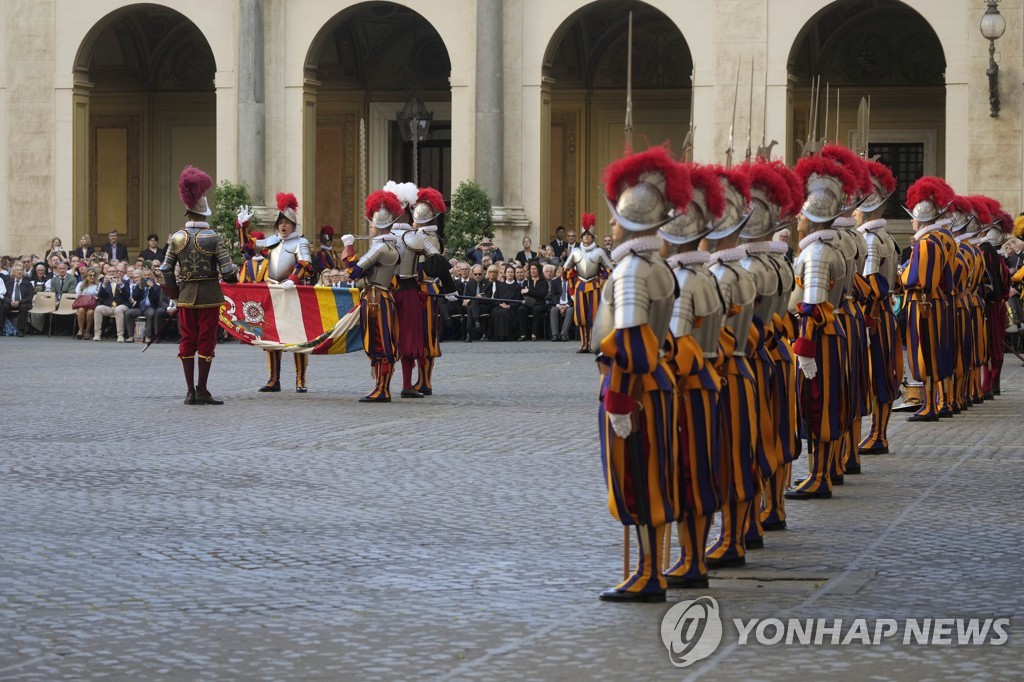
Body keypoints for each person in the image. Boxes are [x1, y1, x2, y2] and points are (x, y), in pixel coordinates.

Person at [593, 146, 682, 602]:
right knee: (653, 479)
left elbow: (628, 344)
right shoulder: (657, 264)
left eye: (614, 218)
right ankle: (654, 568)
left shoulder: (630, 269)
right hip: (656, 385)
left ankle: (649, 573)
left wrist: (619, 401)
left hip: (635, 389)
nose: (610, 225)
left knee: (640, 481)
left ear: (630, 220)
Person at [658, 160, 723, 589]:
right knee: (700, 471)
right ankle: (694, 556)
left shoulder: (684, 278)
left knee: (686, 474)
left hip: (686, 387)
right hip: (710, 380)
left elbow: (675, 345)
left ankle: (692, 559)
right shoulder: (704, 273)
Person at [785, 154, 858, 500]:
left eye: (802, 211)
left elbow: (812, 307)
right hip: (830, 336)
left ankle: (819, 475)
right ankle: (821, 471)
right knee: (823, 404)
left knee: (818, 405)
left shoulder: (815, 255)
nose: (798, 216)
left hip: (819, 339)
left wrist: (805, 352)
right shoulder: (823, 248)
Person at [160, 165, 239, 405]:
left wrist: (174, 293)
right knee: (206, 340)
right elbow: (227, 272)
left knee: (187, 341)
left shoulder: (176, 237)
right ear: (204, 213)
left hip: (185, 295)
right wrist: (233, 274)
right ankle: (202, 390)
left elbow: (165, 269)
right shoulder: (213, 237)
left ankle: (189, 392)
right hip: (209, 295)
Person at [237, 192, 313, 393]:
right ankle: (274, 378)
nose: (283, 226)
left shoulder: (300, 242)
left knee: (297, 338)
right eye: (280, 222)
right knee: (271, 336)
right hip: (273, 292)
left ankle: (300, 379)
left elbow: (306, 264)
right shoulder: (272, 241)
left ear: (293, 225)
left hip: (293, 292)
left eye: (287, 222)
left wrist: (292, 279)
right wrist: (243, 226)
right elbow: (248, 247)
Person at [899, 176, 956, 422]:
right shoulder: (937, 240)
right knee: (933, 352)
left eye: (913, 216)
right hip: (933, 302)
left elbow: (918, 280)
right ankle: (934, 401)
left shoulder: (926, 243)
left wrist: (901, 276)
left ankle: (930, 404)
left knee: (926, 354)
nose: (911, 221)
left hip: (923, 304)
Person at [855, 161, 902, 454]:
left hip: (874, 316)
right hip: (885, 315)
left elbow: (871, 283)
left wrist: (865, 316)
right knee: (884, 375)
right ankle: (879, 433)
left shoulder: (870, 239)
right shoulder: (887, 236)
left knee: (877, 377)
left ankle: (878, 435)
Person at [341, 189, 402, 402]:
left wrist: (348, 248)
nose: (370, 227)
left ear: (380, 225)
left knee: (381, 343)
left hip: (377, 301)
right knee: (377, 343)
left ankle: (383, 389)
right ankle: (379, 386)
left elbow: (353, 272)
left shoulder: (381, 249)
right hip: (375, 297)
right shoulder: (384, 247)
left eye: (372, 223)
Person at [410, 186, 455, 395]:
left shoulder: (425, 238)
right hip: (421, 289)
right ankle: (422, 380)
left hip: (425, 290)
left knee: (426, 336)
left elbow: (437, 264)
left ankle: (425, 382)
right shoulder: (426, 236)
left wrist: (449, 287)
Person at [562, 212, 613, 352]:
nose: (586, 237)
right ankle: (584, 343)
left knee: (594, 315)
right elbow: (565, 269)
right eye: (584, 235)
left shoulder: (600, 252)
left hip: (595, 285)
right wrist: (571, 277)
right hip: (579, 286)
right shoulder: (575, 252)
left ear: (592, 236)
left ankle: (593, 343)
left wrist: (603, 277)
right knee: (581, 316)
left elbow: (610, 270)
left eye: (588, 235)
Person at [125, 268, 161, 343]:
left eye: (148, 275)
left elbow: (156, 300)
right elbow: (135, 297)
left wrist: (151, 288)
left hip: (149, 307)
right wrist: (139, 288)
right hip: (139, 307)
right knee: (128, 313)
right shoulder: (139, 285)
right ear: (142, 276)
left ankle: (148, 336)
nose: (147, 277)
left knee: (151, 313)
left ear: (152, 276)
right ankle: (131, 336)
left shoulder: (156, 287)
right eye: (145, 275)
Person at [516, 261, 549, 340]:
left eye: (534, 269)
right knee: (521, 309)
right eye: (531, 269)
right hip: (528, 304)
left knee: (536, 310)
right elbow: (524, 294)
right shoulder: (526, 281)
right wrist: (531, 293)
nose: (533, 271)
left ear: (538, 270)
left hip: (540, 304)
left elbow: (542, 294)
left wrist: (529, 292)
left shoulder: (544, 282)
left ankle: (534, 334)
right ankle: (523, 334)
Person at [1, 262, 34, 336]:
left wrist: (19, 302)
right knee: (4, 306)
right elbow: (4, 295)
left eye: (21, 270)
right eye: (17, 270)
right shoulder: (8, 282)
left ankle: (21, 330)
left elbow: (30, 296)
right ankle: (1, 328)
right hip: (11, 302)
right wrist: (10, 301)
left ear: (23, 272)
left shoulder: (28, 283)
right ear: (13, 272)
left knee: (24, 307)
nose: (19, 272)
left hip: (23, 303)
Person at [490, 264, 522, 341]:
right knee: (495, 312)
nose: (510, 274)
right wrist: (500, 304)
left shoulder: (517, 286)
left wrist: (509, 306)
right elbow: (495, 298)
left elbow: (518, 300)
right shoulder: (500, 286)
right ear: (505, 273)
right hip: (500, 305)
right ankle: (497, 336)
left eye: (511, 272)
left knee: (503, 313)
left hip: (512, 307)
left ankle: (505, 336)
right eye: (508, 272)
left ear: (514, 274)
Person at [462, 264, 492, 341]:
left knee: (471, 305)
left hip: (483, 306)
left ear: (483, 274)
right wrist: (466, 301)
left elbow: (488, 298)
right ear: (472, 274)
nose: (477, 276)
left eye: (479, 274)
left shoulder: (488, 283)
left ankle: (468, 334)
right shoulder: (469, 283)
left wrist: (479, 298)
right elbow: (466, 297)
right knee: (470, 307)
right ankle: (476, 322)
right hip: (472, 307)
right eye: (475, 274)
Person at [544, 263, 573, 341]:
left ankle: (563, 334)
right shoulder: (554, 282)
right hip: (557, 304)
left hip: (568, 304)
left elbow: (573, 296)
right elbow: (553, 296)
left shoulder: (572, 281)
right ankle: (555, 334)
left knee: (570, 311)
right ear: (559, 272)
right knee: (553, 310)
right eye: (561, 271)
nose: (563, 273)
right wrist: (558, 305)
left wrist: (566, 305)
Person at [73, 268, 101, 339]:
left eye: (94, 275)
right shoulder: (80, 284)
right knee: (81, 310)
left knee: (90, 312)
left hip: (92, 305)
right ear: (86, 276)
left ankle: (87, 331)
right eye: (90, 275)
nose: (92, 277)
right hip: (82, 304)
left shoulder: (98, 285)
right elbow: (77, 295)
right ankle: (80, 330)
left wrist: (91, 298)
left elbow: (99, 296)